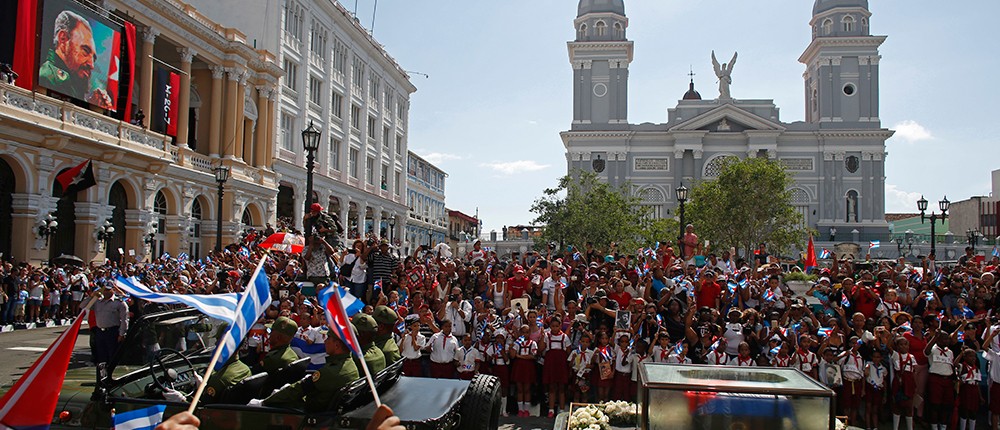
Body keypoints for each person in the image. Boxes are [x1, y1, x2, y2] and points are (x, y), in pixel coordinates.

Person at [258, 331, 360, 411]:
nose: (325, 341)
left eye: (328, 338)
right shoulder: (350, 365)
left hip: (308, 412)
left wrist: (264, 402)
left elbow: (297, 390)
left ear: (337, 345)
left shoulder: (331, 371)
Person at [39, 10, 112, 109]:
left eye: (93, 58)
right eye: (85, 51)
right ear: (63, 39)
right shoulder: (50, 76)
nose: (92, 65)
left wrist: (92, 104)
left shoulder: (73, 82)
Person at [91, 285, 128, 364]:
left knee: (112, 356)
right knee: (101, 357)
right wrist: (92, 296)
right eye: (104, 290)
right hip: (100, 332)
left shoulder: (119, 303)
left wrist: (122, 334)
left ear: (113, 290)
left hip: (112, 331)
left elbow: (124, 319)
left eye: (108, 290)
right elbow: (83, 306)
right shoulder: (98, 302)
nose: (106, 292)